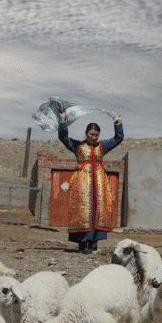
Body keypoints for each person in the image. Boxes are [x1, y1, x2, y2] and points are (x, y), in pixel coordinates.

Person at [57, 108, 123, 254]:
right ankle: (81, 245)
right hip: (82, 185)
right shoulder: (78, 146)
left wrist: (118, 122)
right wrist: (63, 120)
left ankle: (93, 245)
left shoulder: (102, 146)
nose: (94, 137)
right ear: (86, 133)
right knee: (82, 212)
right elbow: (63, 137)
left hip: (99, 185)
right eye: (91, 134)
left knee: (97, 212)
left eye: (96, 135)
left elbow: (118, 138)